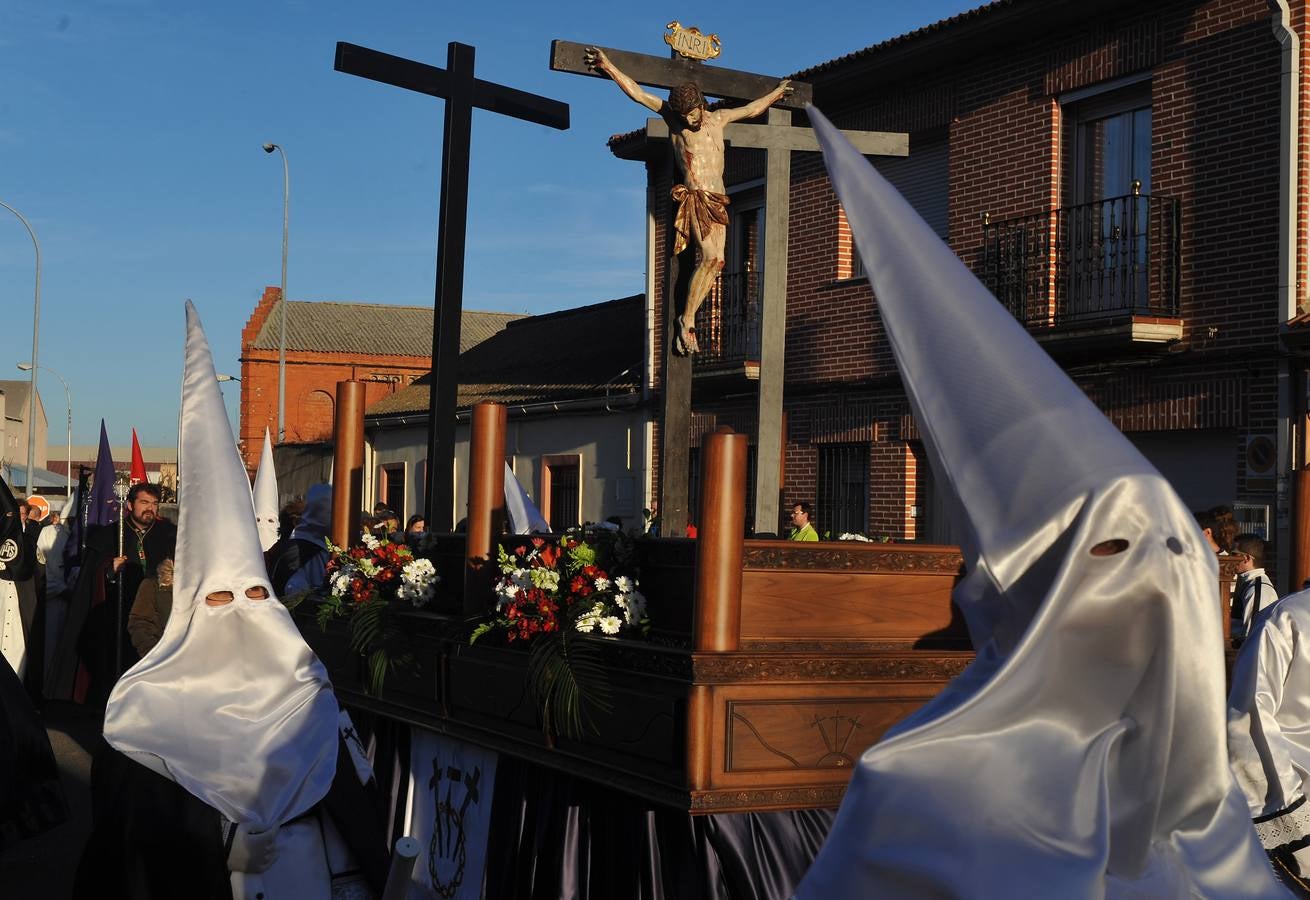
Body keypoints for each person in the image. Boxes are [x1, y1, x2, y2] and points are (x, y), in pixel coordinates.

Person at [792, 108, 1277, 896]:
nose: (1159, 588)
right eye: (1118, 553)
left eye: (1171, 549)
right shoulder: (928, 787)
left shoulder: (1202, 805)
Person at [79, 301, 388, 900]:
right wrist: (218, 848)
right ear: (192, 609)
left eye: (255, 593)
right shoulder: (144, 720)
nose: (242, 610)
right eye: (220, 597)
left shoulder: (311, 697)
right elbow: (127, 851)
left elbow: (360, 813)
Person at [586, 47, 792, 355]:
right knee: (709, 257)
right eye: (684, 115)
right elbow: (639, 93)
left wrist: (776, 93)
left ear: (700, 105)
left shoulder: (718, 119)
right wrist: (608, 66)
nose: (689, 119)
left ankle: (688, 317)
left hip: (717, 199)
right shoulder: (674, 122)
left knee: (718, 261)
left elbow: (751, 110)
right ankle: (687, 320)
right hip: (695, 199)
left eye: (692, 113)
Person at [78, 482, 176, 703]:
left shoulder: (170, 534)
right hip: (117, 609)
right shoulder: (110, 534)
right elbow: (89, 577)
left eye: (154, 503)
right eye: (144, 502)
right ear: (130, 505)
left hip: (156, 615)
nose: (150, 508)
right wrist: (108, 569)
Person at [1230, 533, 1276, 645]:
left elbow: (1254, 637)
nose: (1229, 558)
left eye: (1233, 554)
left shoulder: (1257, 589)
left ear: (1246, 558)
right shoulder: (1249, 584)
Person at [126, 558, 173, 657]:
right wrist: (154, 656)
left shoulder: (205, 586)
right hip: (166, 660)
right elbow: (139, 623)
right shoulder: (153, 585)